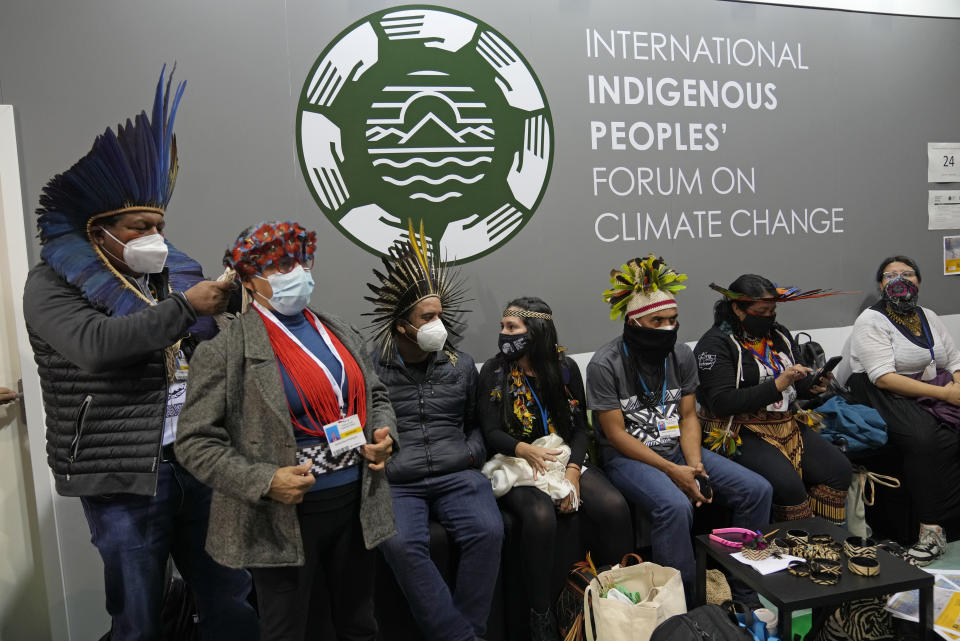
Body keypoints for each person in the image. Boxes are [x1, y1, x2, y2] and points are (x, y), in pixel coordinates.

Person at [21, 67, 257, 640]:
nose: (156, 236)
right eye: (140, 225)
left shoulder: (165, 275)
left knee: (230, 599)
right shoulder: (50, 284)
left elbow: (206, 342)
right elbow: (95, 348)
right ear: (99, 229)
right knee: (138, 618)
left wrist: (234, 300)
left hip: (195, 460)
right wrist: (184, 310)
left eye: (160, 224)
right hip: (122, 479)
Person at [175, 220, 397, 640]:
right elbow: (194, 441)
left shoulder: (339, 330)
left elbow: (378, 395)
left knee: (359, 622)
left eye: (299, 261)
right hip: (283, 512)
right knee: (288, 629)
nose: (295, 272)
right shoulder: (224, 350)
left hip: (356, 503)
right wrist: (264, 479)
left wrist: (384, 434)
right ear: (248, 279)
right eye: (278, 266)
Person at [586, 255, 772, 604]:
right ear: (633, 321)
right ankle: (686, 607)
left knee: (757, 490)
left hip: (677, 449)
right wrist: (675, 472)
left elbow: (688, 416)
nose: (667, 328)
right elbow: (615, 434)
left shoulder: (681, 354)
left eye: (672, 320)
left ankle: (743, 593)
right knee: (674, 506)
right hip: (629, 457)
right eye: (657, 320)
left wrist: (694, 465)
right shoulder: (604, 363)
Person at [364, 226, 503, 641]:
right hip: (398, 482)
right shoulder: (372, 367)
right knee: (401, 545)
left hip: (457, 474)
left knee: (489, 531)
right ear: (401, 323)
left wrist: (471, 454)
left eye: (439, 314)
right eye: (427, 317)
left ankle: (466, 632)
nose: (437, 325)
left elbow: (475, 423)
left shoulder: (461, 365)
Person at [477, 297, 632, 641]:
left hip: (561, 456)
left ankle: (615, 596)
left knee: (613, 506)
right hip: (515, 460)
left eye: (512, 327)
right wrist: (522, 449)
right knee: (540, 516)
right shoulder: (495, 371)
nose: (504, 334)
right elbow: (490, 431)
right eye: (503, 326)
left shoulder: (563, 368)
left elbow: (580, 429)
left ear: (536, 331)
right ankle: (541, 615)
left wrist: (574, 471)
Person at [695, 275, 852, 524]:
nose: (769, 316)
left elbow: (796, 387)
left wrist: (813, 386)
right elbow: (722, 402)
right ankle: (793, 549)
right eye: (761, 311)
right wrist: (777, 385)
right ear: (737, 308)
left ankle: (826, 543)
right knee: (788, 487)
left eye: (773, 310)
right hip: (736, 430)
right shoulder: (714, 344)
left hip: (785, 423)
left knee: (839, 471)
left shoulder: (778, 334)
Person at [838, 255, 960, 565]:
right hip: (880, 391)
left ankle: (952, 524)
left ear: (919, 281)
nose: (900, 280)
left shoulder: (928, 316)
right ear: (881, 284)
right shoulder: (871, 320)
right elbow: (883, 376)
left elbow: (954, 361)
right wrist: (945, 394)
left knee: (949, 434)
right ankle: (929, 530)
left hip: (930, 391)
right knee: (924, 438)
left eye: (908, 274)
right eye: (891, 275)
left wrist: (956, 387)